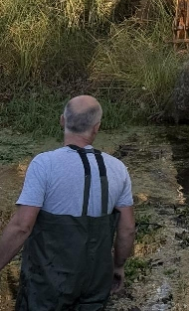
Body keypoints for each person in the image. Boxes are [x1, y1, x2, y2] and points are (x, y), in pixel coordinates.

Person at [0, 95, 135, 310]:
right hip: (95, 285)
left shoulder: (44, 164)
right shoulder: (118, 169)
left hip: (47, 287)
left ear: (62, 120)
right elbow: (127, 229)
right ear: (96, 128)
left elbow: (22, 226)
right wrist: (118, 266)